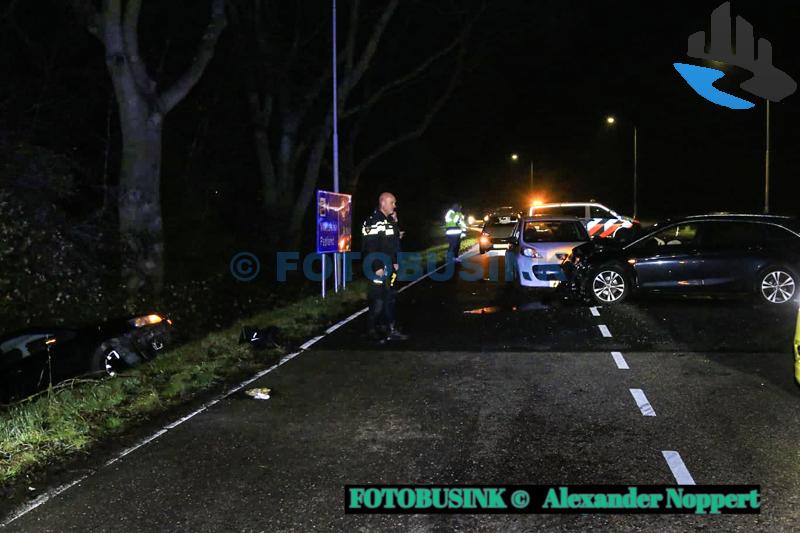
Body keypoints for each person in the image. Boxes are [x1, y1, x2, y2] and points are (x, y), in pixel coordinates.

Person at [362, 192, 408, 343]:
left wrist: (395, 223)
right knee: (378, 301)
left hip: (389, 266)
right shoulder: (373, 221)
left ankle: (388, 328)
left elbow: (392, 243)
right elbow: (370, 247)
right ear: (383, 203)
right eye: (392, 203)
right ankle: (370, 329)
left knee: (389, 298)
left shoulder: (388, 221)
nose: (395, 206)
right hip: (378, 267)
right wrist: (377, 267)